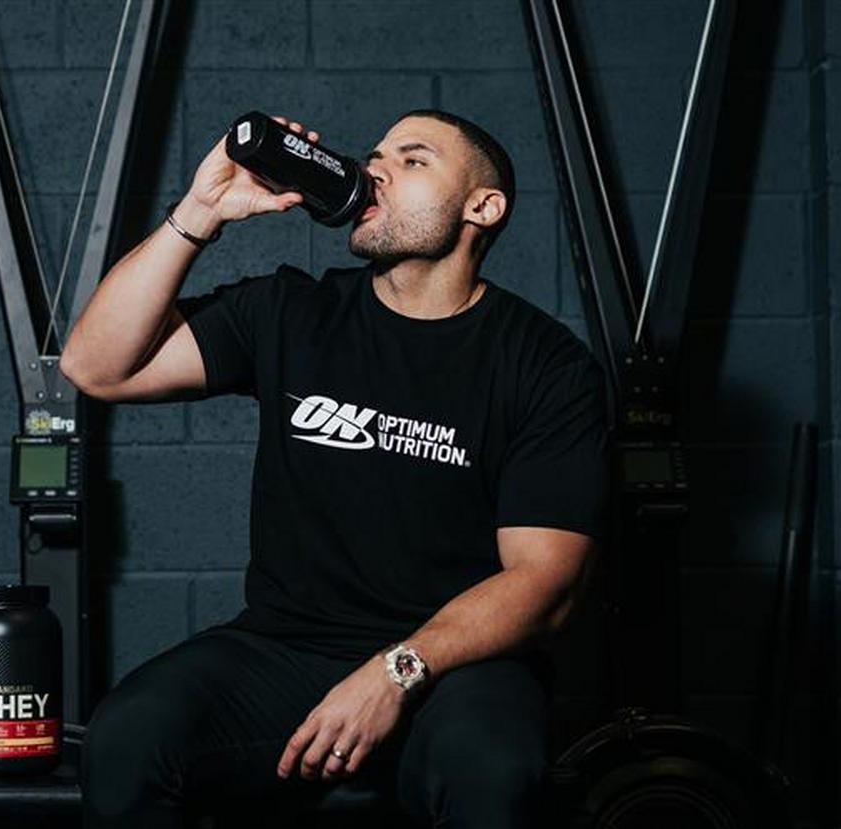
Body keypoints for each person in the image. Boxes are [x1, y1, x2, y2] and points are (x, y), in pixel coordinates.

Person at [59, 109, 611, 829]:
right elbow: (93, 366)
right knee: (129, 735)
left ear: (482, 206)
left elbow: (545, 582)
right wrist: (201, 211)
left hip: (453, 666)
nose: (374, 167)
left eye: (412, 160)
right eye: (375, 153)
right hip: (286, 649)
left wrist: (394, 671)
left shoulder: (546, 367)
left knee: (492, 769)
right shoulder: (289, 310)